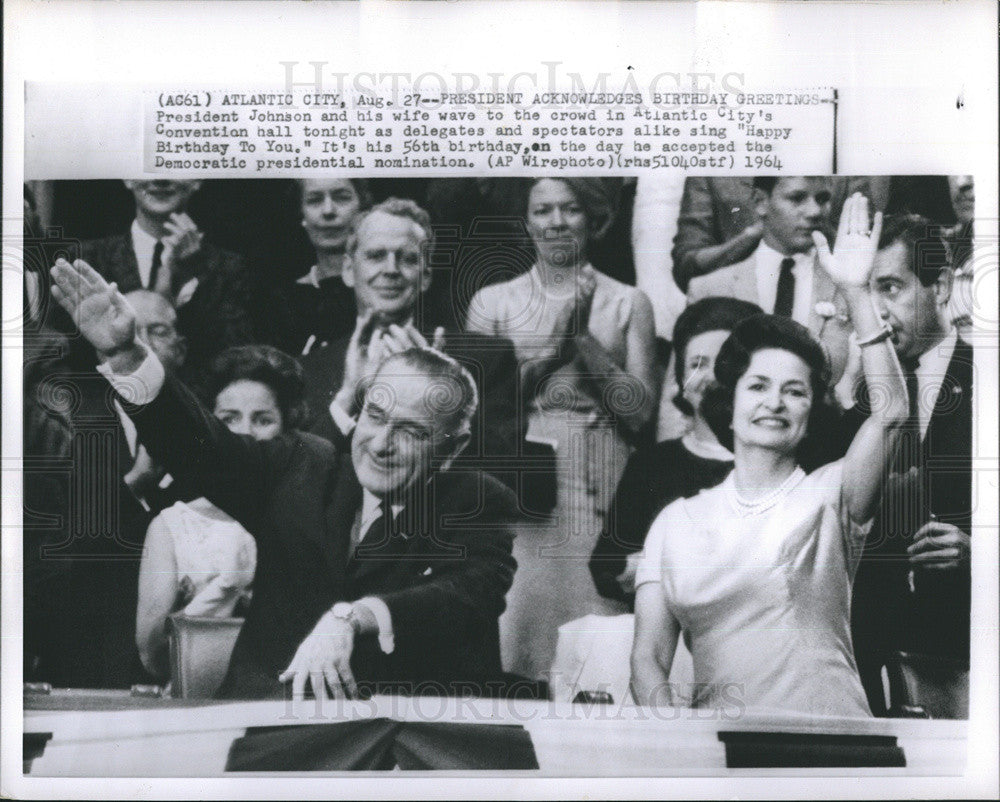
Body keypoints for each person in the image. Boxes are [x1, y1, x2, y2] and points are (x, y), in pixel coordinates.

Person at [49, 256, 518, 700]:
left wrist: (353, 618)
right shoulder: (301, 464)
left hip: (390, 739)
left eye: (411, 432)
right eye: (375, 416)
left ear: (451, 448)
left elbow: (465, 594)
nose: (379, 444)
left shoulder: (476, 501)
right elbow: (198, 446)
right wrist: (126, 353)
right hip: (270, 728)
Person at [631, 194, 909, 717]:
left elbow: (891, 413)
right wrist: (671, 743)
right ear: (729, 405)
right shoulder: (676, 522)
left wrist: (854, 290)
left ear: (809, 410)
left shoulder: (830, 495)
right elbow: (647, 659)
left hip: (832, 742)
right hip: (719, 757)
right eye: (758, 386)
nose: (775, 402)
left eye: (795, 391)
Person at [465, 177, 659, 682]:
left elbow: (641, 414)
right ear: (526, 222)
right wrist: (554, 349)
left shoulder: (628, 301)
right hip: (524, 481)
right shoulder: (494, 302)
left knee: (596, 639)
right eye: (543, 210)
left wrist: (585, 341)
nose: (556, 222)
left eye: (570, 209)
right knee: (521, 632)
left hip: (602, 479)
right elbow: (481, 410)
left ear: (593, 219)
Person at [301, 197, 524, 490]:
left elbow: (502, 481)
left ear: (426, 276)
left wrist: (443, 395)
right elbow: (298, 483)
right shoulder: (309, 369)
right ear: (347, 270)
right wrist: (346, 400)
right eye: (376, 256)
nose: (391, 269)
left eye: (407, 258)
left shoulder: (487, 359)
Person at [848, 214, 973, 716]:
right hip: (872, 655)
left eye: (891, 288)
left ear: (940, 286)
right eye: (865, 293)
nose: (875, 311)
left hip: (969, 653)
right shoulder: (859, 400)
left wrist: (982, 549)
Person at [135, 345, 308, 680]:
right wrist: (225, 590)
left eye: (263, 419)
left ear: (286, 428)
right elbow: (151, 655)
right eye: (229, 419)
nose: (244, 432)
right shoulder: (172, 526)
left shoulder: (308, 513)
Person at [589, 297, 762, 606]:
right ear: (681, 379)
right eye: (697, 364)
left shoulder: (779, 459)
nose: (712, 377)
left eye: (727, 362)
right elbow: (606, 569)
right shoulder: (652, 465)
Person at [686, 177, 859, 385]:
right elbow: (679, 394)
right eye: (797, 198)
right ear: (761, 202)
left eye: (822, 199)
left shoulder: (849, 288)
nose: (814, 212)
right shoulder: (710, 289)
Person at [81, 179, 256, 380]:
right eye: (148, 166)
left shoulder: (229, 268)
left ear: (197, 180)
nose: (160, 179)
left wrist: (192, 273)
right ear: (127, 178)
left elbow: (235, 359)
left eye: (173, 163)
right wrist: (164, 289)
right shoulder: (89, 259)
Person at [273, 178, 372, 355]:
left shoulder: (387, 290)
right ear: (302, 215)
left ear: (362, 209)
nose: (328, 211)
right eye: (315, 200)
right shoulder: (282, 304)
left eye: (341, 198)